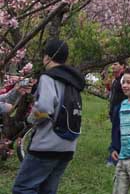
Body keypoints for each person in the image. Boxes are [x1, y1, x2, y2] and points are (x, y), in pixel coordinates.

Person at [12, 39, 85, 194]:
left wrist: (30, 119)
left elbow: (45, 108)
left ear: (47, 57)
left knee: (23, 188)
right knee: (47, 190)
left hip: (46, 144)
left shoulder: (49, 77)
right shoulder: (74, 81)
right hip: (67, 146)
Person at [107, 59, 127, 166]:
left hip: (121, 110)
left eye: (115, 64)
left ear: (122, 66)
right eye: (112, 64)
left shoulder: (124, 79)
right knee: (116, 133)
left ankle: (113, 158)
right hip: (115, 110)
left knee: (118, 134)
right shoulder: (116, 79)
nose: (113, 66)